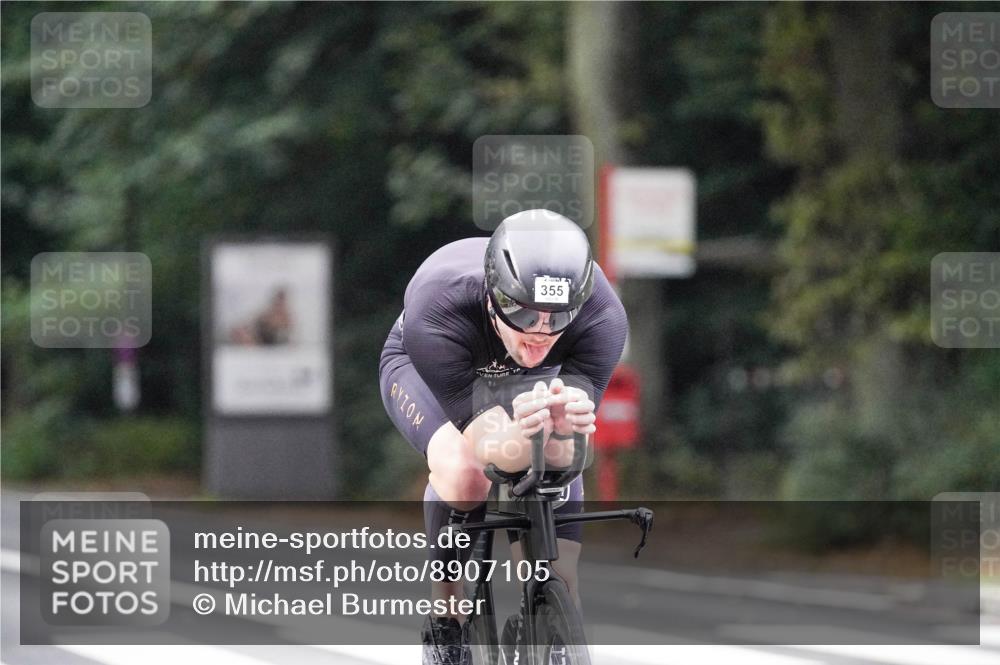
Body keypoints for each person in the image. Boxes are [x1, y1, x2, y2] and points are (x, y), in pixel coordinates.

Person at [379, 209, 628, 665]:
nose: (540, 333)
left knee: (559, 461)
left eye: (557, 318)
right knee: (465, 474)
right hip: (431, 366)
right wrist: (521, 428)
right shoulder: (439, 308)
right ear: (494, 300)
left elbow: (564, 443)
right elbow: (488, 445)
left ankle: (549, 617)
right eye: (524, 314)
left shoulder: (602, 317)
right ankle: (446, 616)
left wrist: (562, 425)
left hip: (531, 385)